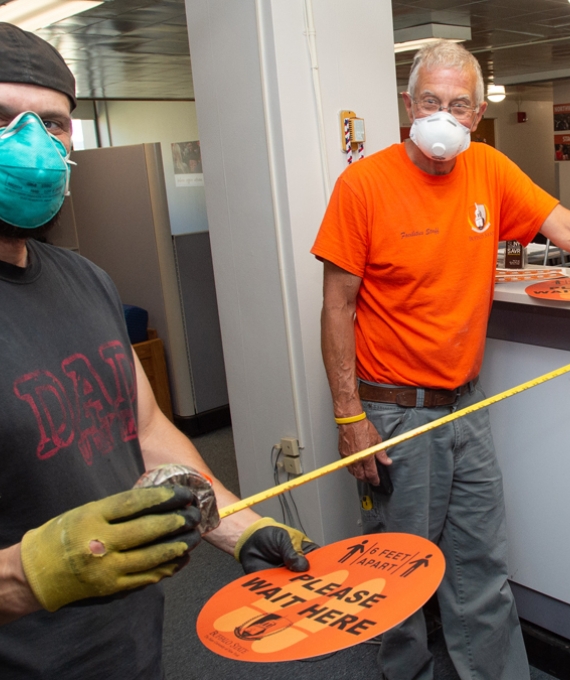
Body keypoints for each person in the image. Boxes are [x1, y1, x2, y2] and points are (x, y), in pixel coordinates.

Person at [311, 40, 570, 680]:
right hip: (394, 413)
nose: (442, 116)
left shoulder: (487, 169)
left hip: (465, 406)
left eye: (458, 104)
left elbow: (566, 226)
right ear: (408, 104)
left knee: (480, 566)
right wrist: (349, 416)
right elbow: (336, 306)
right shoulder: (363, 185)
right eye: (430, 101)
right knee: (397, 575)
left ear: (477, 113)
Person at [0, 23, 316, 679]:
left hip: (126, 643)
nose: (32, 142)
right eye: (3, 118)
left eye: (53, 123)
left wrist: (238, 525)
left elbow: (142, 430)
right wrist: (29, 575)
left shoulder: (85, 280)